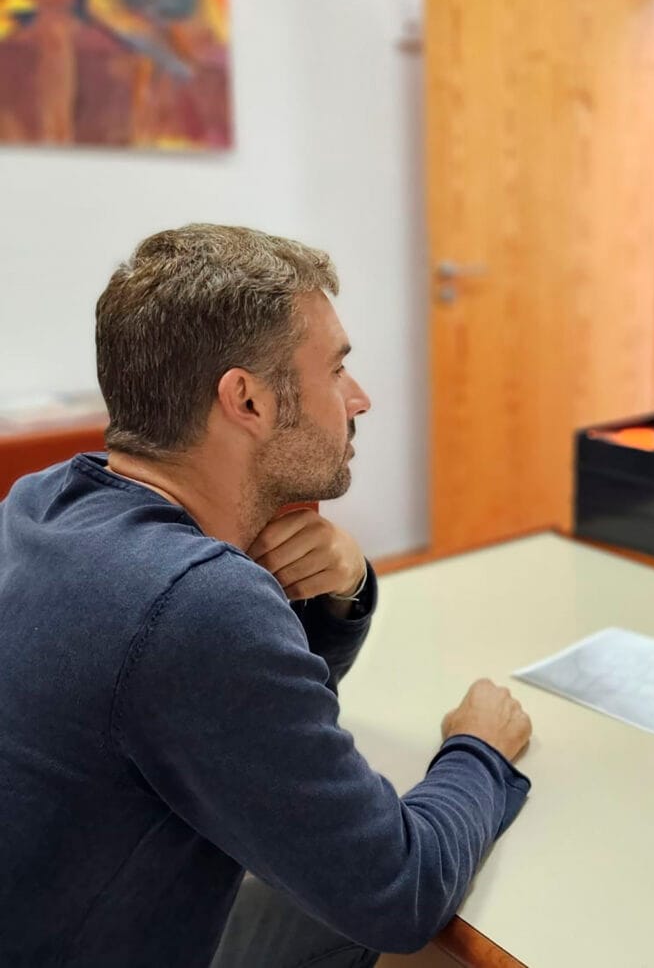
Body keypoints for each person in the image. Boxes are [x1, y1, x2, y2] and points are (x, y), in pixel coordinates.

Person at [0, 225, 534, 967]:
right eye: (336, 369)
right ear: (246, 399)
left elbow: (241, 728)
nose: (359, 398)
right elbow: (400, 891)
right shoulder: (191, 603)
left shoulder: (43, 500)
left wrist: (339, 595)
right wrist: (479, 749)